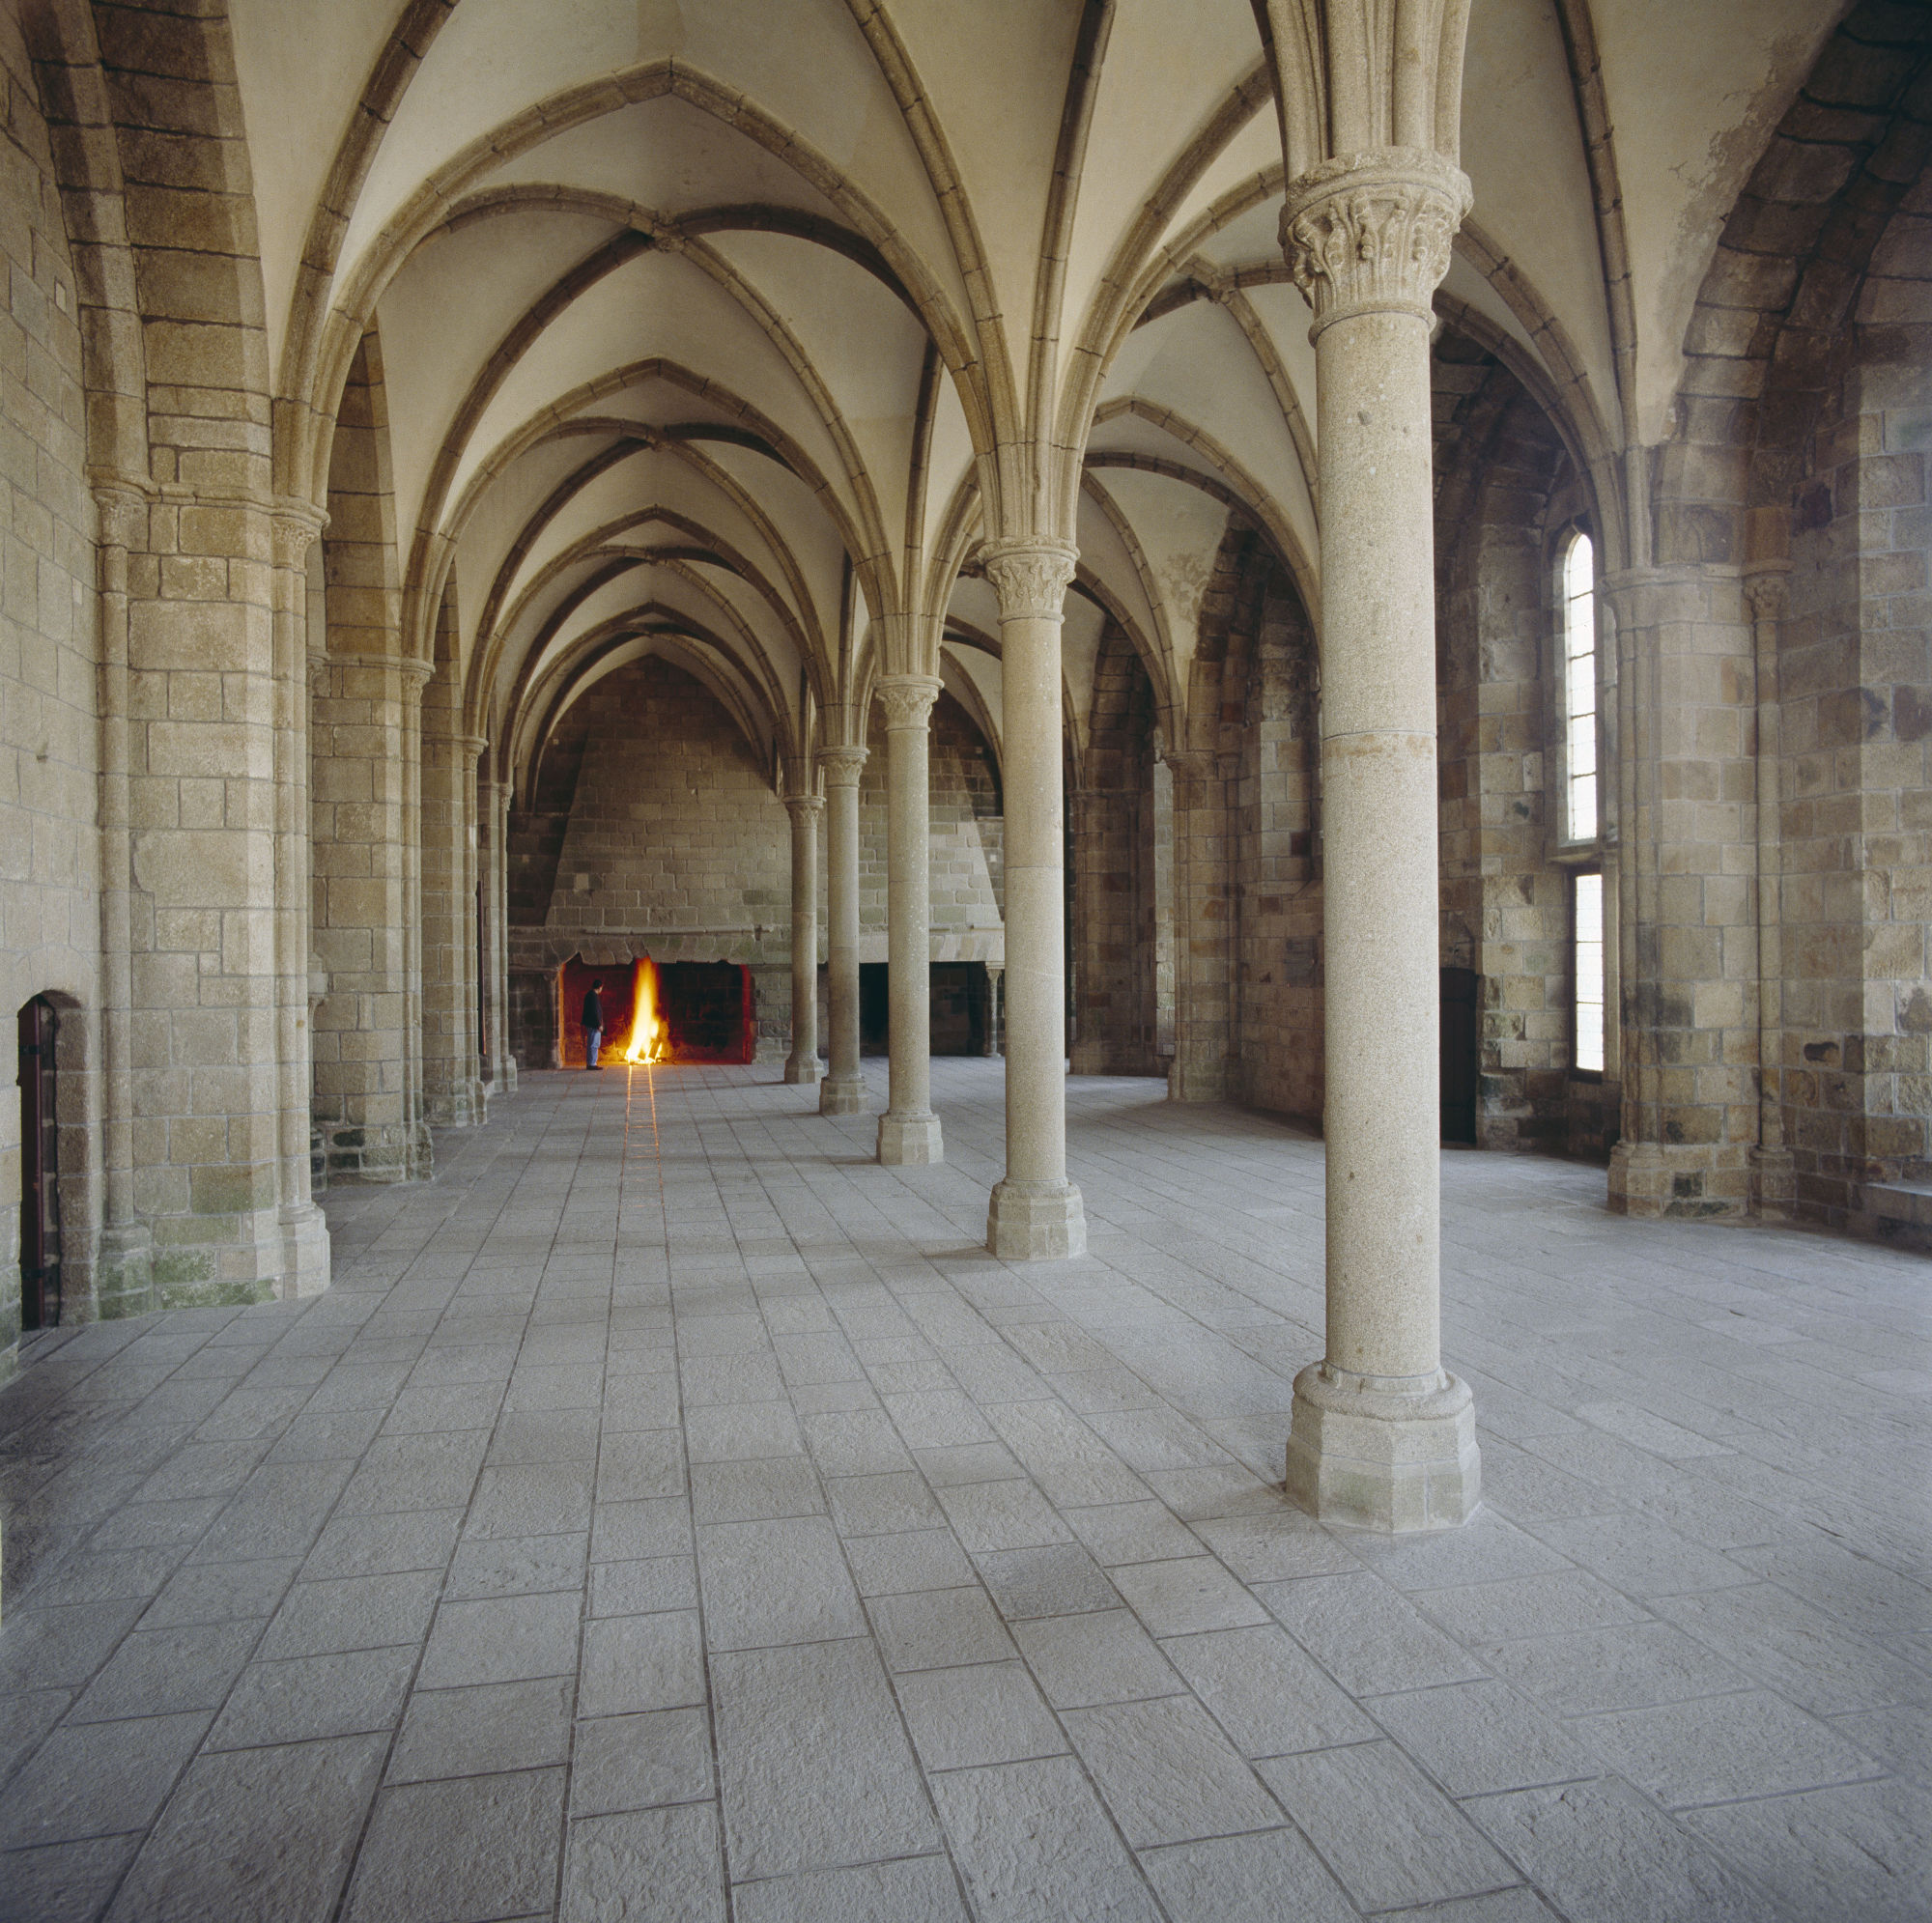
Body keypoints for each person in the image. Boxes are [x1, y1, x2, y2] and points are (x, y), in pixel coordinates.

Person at [582, 978, 605, 1068]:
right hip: (593, 1025)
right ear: (599, 987)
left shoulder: (590, 995)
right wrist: (599, 1024)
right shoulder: (593, 996)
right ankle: (592, 1064)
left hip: (591, 1023)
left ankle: (590, 1063)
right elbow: (595, 1012)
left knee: (591, 1043)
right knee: (594, 1044)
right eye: (602, 988)